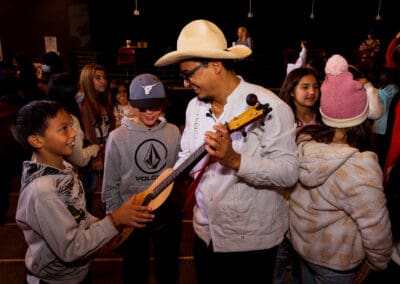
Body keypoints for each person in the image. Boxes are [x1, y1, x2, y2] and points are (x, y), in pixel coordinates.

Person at [154, 19, 299, 284]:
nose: (186, 83)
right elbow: (187, 153)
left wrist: (234, 160)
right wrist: (163, 184)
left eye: (189, 74)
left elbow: (289, 173)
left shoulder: (271, 107)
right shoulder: (193, 107)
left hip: (250, 243)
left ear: (216, 66)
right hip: (204, 234)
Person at [12, 100, 155, 284]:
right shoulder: (43, 192)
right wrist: (114, 220)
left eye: (70, 125)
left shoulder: (62, 166)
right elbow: (72, 249)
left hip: (76, 274)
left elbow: (77, 214)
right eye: (63, 129)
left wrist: (104, 229)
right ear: (36, 140)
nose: (73, 133)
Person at [288, 54, 392, 284]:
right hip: (336, 262)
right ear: (363, 119)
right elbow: (376, 226)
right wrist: (378, 261)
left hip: (305, 250)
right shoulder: (360, 168)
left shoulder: (304, 144)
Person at [102, 73, 183, 284]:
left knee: (168, 268)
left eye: (155, 106)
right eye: (143, 106)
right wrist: (116, 218)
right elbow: (110, 184)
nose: (149, 112)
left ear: (164, 104)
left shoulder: (173, 132)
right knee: (134, 270)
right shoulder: (117, 137)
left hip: (166, 212)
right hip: (132, 213)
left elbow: (175, 173)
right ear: (132, 104)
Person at [274, 67, 322, 283]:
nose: (311, 92)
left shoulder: (324, 120)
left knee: (301, 266)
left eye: (315, 86)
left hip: (312, 203)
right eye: (305, 87)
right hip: (284, 200)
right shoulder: (282, 120)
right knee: (279, 260)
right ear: (292, 91)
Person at [78, 63, 115, 210]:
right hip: (91, 155)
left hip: (104, 151)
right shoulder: (83, 102)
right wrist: (96, 157)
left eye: (104, 77)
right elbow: (87, 132)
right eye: (97, 78)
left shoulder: (102, 100)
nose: (103, 81)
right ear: (87, 80)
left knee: (103, 188)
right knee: (88, 190)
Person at [46, 72, 100, 168]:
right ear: (68, 93)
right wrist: (95, 148)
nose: (81, 92)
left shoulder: (48, 112)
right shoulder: (69, 119)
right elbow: (79, 159)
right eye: (78, 89)